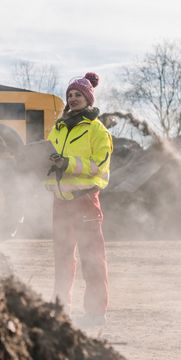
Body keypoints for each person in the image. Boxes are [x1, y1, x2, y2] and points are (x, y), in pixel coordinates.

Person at [45, 72, 113, 327]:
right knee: (62, 258)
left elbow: (100, 166)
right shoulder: (58, 128)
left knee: (92, 256)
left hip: (85, 200)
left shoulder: (98, 130)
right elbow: (49, 158)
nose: (73, 98)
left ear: (88, 98)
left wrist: (67, 164)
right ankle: (60, 309)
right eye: (70, 95)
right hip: (60, 201)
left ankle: (96, 313)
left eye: (78, 95)